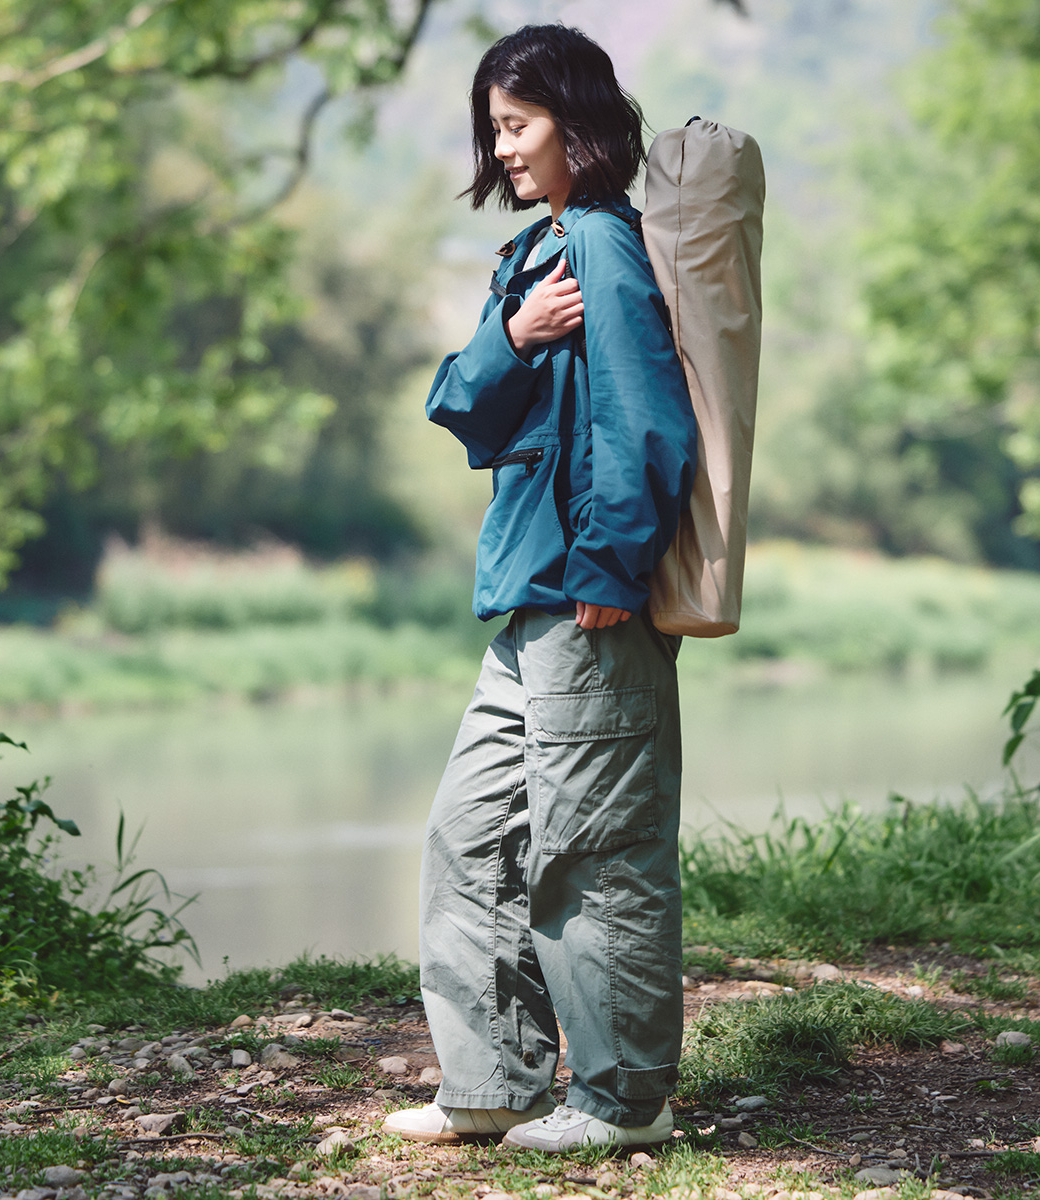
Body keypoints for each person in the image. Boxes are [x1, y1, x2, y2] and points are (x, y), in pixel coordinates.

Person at [382, 24, 696, 1153]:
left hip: (585, 596)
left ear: (577, 119)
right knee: (469, 839)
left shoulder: (605, 247)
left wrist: (614, 564)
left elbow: (648, 423)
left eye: (518, 125)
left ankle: (624, 1103)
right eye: (495, 130)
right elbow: (460, 404)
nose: (504, 148)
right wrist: (515, 334)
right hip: (527, 603)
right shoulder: (534, 256)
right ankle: (490, 1083)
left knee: (594, 850)